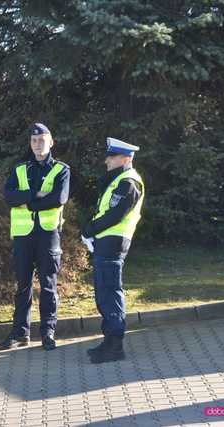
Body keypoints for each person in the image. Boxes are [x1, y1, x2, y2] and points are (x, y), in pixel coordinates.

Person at [0, 122, 70, 351]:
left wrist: (26, 202)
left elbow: (58, 198)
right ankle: (20, 333)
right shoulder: (20, 170)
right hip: (23, 236)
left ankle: (48, 332)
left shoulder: (61, 170)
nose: (37, 144)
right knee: (22, 285)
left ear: (51, 142)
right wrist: (35, 195)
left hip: (48, 235)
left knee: (48, 285)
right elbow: (8, 197)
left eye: (41, 140)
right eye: (33, 141)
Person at [81, 137, 144, 364]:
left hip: (113, 242)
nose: (107, 160)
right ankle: (109, 340)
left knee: (110, 292)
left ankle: (115, 346)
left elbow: (116, 214)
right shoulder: (119, 180)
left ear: (126, 158)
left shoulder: (129, 182)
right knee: (104, 292)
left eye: (112, 156)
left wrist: (90, 229)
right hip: (106, 241)